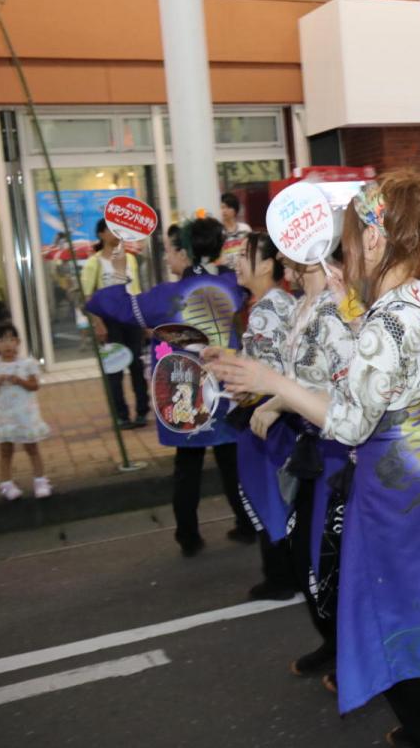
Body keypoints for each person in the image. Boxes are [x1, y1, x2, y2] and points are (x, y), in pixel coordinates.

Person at [209, 173, 420, 747]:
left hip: (392, 474)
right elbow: (395, 379)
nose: (344, 251)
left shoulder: (387, 317)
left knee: (392, 620)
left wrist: (268, 379)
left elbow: (353, 419)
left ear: (376, 241)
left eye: (351, 239)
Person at [85, 217, 253, 557]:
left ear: (183, 253)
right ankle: (248, 524)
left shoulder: (167, 296)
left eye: (169, 251)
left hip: (185, 388)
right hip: (227, 385)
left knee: (187, 466)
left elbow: (110, 306)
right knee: (231, 460)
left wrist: (119, 272)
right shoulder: (230, 286)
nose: (166, 258)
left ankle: (188, 536)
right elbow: (242, 288)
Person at [246, 248, 358, 688]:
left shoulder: (337, 305)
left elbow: (345, 389)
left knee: (333, 562)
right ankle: (334, 643)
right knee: (301, 555)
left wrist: (275, 401)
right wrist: (267, 397)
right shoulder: (299, 307)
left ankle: (356, 656)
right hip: (309, 448)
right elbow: (297, 380)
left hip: (340, 452)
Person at [228, 231, 298, 602]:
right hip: (283, 416)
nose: (238, 261)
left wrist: (236, 384)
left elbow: (265, 374)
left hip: (266, 418)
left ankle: (281, 576)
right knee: (280, 494)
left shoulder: (267, 310)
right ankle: (286, 572)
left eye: (245, 255)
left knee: (268, 495)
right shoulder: (281, 302)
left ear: (268, 265)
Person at [83, 220, 149, 429]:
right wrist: (98, 324)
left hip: (132, 318)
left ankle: (141, 412)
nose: (116, 234)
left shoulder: (130, 259)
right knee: (115, 369)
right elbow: (88, 297)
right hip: (110, 321)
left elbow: (136, 290)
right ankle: (121, 415)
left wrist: (145, 321)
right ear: (101, 234)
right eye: (111, 230)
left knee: (137, 365)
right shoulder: (94, 262)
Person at [0, 320, 52, 501]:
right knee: (6, 450)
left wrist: (19, 380)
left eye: (11, 339)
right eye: (2, 340)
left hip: (26, 416)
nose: (7, 344)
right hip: (4, 418)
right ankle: (6, 484)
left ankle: (40, 481)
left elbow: (34, 385)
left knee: (32, 448)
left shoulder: (27, 363)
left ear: (18, 342)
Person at [219, 192, 253, 272]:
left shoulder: (245, 229)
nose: (224, 211)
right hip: (225, 273)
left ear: (235, 209)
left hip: (244, 270)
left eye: (228, 207)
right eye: (222, 207)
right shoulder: (219, 231)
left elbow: (251, 249)